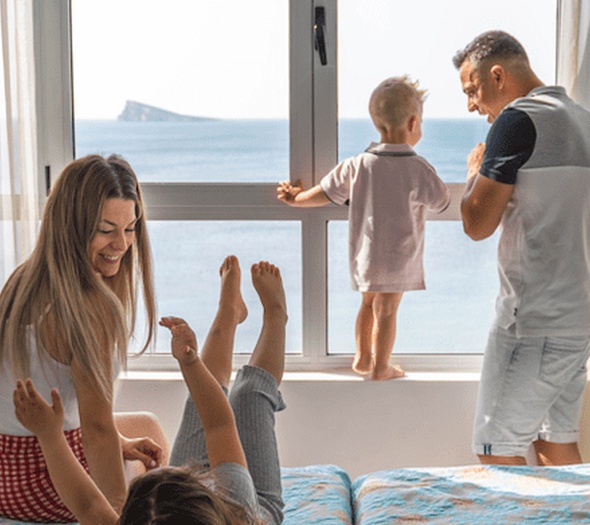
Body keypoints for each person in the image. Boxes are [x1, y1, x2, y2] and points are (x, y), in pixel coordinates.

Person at [13, 255, 288, 525]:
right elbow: (218, 425)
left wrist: (49, 435)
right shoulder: (239, 507)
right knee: (250, 394)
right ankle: (276, 315)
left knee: (201, 400)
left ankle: (228, 312)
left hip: (196, 505)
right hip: (253, 507)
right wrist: (190, 364)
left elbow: (87, 505)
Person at [0, 154, 167, 522]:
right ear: (72, 227)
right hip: (41, 481)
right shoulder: (89, 307)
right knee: (154, 481)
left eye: (130, 228)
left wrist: (121, 446)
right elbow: (96, 428)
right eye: (106, 229)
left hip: (6, 468)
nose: (121, 244)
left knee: (146, 427)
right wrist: (120, 509)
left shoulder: (21, 281)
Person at [454, 30, 590, 466]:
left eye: (472, 90)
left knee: (495, 449)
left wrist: (474, 172)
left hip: (533, 322)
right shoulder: (583, 118)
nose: (471, 105)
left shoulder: (517, 122)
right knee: (556, 445)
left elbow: (477, 224)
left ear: (498, 76)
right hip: (578, 319)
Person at [277, 76, 450, 380]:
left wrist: (296, 198)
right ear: (413, 123)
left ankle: (362, 357)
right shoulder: (417, 168)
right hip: (398, 257)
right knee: (387, 309)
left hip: (365, 255)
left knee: (368, 304)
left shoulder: (358, 164)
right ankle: (382, 366)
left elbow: (325, 192)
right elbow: (442, 201)